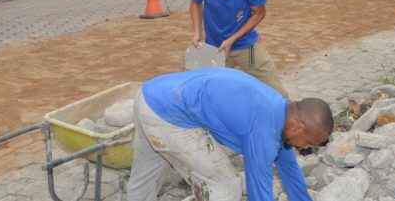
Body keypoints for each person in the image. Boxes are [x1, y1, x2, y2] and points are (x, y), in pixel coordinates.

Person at [126, 67, 334, 201]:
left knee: (143, 181)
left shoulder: (280, 112)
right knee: (224, 185)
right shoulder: (264, 135)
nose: (305, 148)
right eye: (309, 142)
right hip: (169, 117)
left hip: (150, 95)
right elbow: (259, 193)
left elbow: (290, 170)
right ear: (298, 127)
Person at [189, 0, 288, 97]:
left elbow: (259, 13)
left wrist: (232, 39)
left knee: (276, 93)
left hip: (246, 47)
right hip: (216, 50)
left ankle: (289, 117)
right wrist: (197, 32)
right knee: (211, 94)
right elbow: (195, 3)